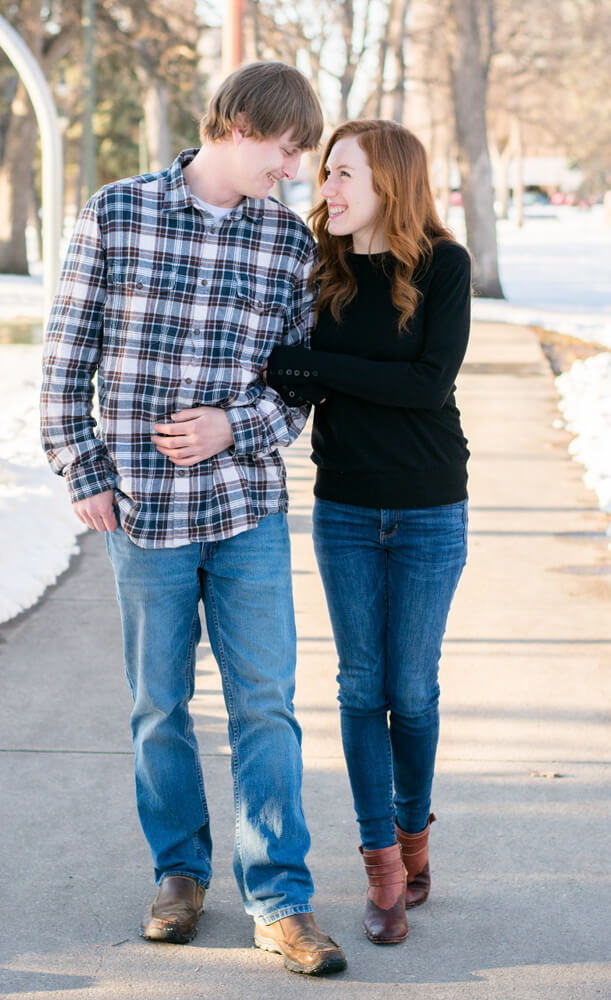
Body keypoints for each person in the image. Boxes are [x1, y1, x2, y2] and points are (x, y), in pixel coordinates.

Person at [40, 61, 347, 977]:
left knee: (265, 706)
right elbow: (66, 355)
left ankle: (280, 900)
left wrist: (231, 425)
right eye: (287, 150)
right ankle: (179, 874)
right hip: (139, 511)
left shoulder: (288, 247)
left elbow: (297, 394)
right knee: (158, 706)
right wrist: (79, 467)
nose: (293, 169)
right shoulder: (118, 212)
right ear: (241, 126)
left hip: (245, 506)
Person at [266, 119, 470, 945]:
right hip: (345, 508)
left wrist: (319, 367)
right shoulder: (324, 269)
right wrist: (316, 373)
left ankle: (415, 841)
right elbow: (284, 373)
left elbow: (427, 385)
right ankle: (383, 868)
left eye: (343, 173)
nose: (328, 190)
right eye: (324, 174)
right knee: (359, 688)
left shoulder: (443, 265)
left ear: (389, 180)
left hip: (427, 508)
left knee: (411, 694)